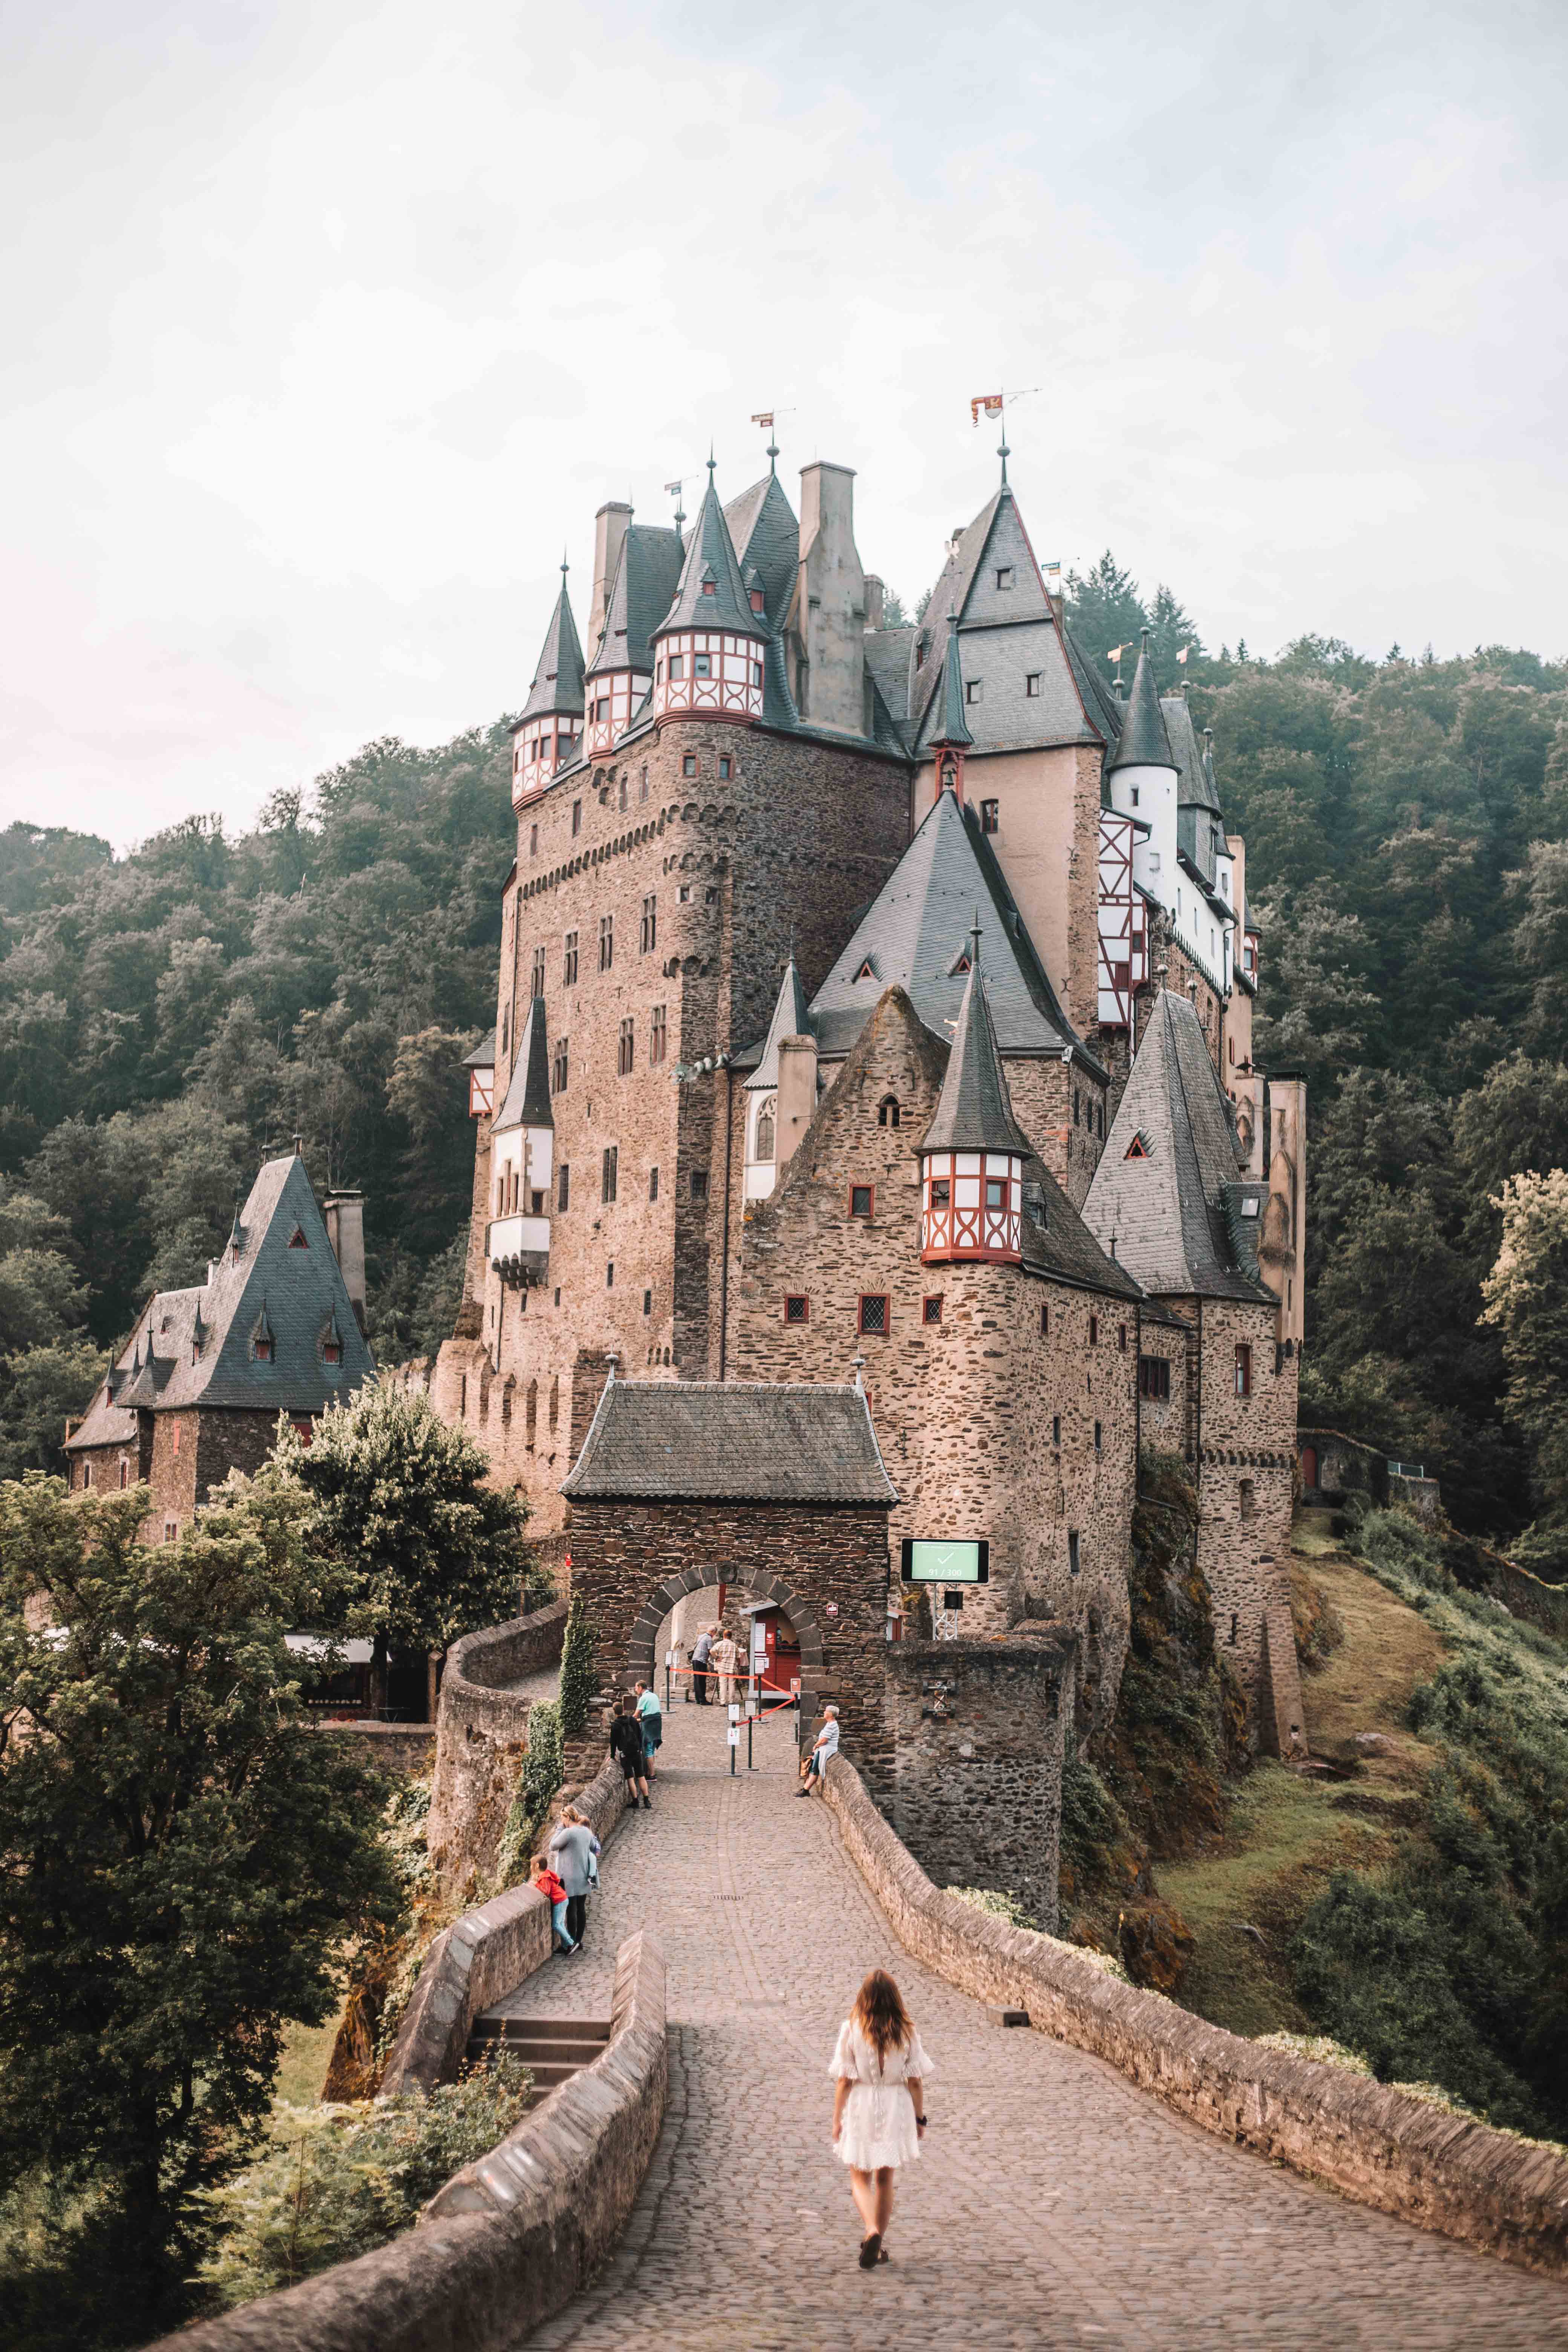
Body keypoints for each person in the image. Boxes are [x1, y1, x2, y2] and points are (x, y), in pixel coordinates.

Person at [828, 1969, 931, 2268]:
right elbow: (915, 2081)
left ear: (864, 1998)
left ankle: (870, 2230)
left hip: (861, 2104)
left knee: (859, 2177)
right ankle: (878, 2242)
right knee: (885, 2180)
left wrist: (837, 2120)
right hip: (895, 2105)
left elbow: (844, 2080)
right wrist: (920, 2119)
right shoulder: (908, 2031)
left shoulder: (851, 2029)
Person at [547, 1805, 600, 1948]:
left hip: (569, 1877)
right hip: (584, 1876)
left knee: (571, 1909)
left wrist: (560, 1829)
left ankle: (571, 1943)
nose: (561, 1821)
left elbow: (553, 1846)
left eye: (562, 1818)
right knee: (581, 1908)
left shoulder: (568, 1833)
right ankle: (578, 1941)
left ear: (568, 1818)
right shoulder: (586, 1832)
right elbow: (592, 1847)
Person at [609, 1691, 651, 1810]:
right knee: (641, 1776)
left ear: (614, 1712)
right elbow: (639, 1734)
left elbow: (614, 1743)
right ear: (623, 1709)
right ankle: (647, 1801)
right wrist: (639, 1748)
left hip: (626, 1755)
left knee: (630, 1778)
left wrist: (612, 1756)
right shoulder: (632, 1720)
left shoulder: (615, 1725)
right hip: (637, 1752)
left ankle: (636, 1802)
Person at [532, 1854, 577, 1955]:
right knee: (561, 1924)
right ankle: (566, 1946)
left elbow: (546, 1891)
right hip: (563, 1899)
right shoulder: (546, 1874)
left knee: (556, 1925)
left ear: (537, 1866)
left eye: (532, 1865)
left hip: (560, 1901)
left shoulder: (545, 1878)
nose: (531, 1868)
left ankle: (571, 1943)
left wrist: (536, 1884)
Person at [798, 1703, 840, 1797]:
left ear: (830, 1714)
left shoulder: (832, 1725)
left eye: (826, 1711)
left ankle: (806, 1790)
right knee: (813, 1768)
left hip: (826, 1750)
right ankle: (805, 1789)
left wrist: (816, 1746)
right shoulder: (830, 1724)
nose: (824, 1713)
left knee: (814, 1769)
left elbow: (824, 1740)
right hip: (822, 1749)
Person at [634, 1679, 663, 1777]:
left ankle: (652, 1775)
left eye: (636, 1688)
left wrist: (628, 1720)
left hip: (649, 1725)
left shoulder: (644, 1698)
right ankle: (650, 1772)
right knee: (652, 1749)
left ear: (640, 1688)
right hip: (657, 1724)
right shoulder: (654, 1696)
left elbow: (637, 1714)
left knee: (648, 1750)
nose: (635, 1690)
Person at [712, 1624, 740, 1709]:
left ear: (724, 1636)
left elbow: (712, 1651)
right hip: (732, 1667)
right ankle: (731, 1701)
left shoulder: (720, 1644)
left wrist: (716, 1658)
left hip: (722, 1667)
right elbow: (738, 1657)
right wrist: (738, 1665)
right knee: (732, 1685)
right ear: (731, 1637)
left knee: (723, 1685)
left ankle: (723, 1702)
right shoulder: (734, 1645)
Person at [690, 1624, 713, 1706]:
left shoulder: (701, 1636)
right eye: (715, 1634)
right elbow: (711, 1651)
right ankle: (703, 1700)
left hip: (695, 1659)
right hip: (701, 1661)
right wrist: (717, 1658)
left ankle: (698, 1699)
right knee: (702, 1681)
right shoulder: (709, 1638)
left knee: (697, 1680)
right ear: (713, 1632)